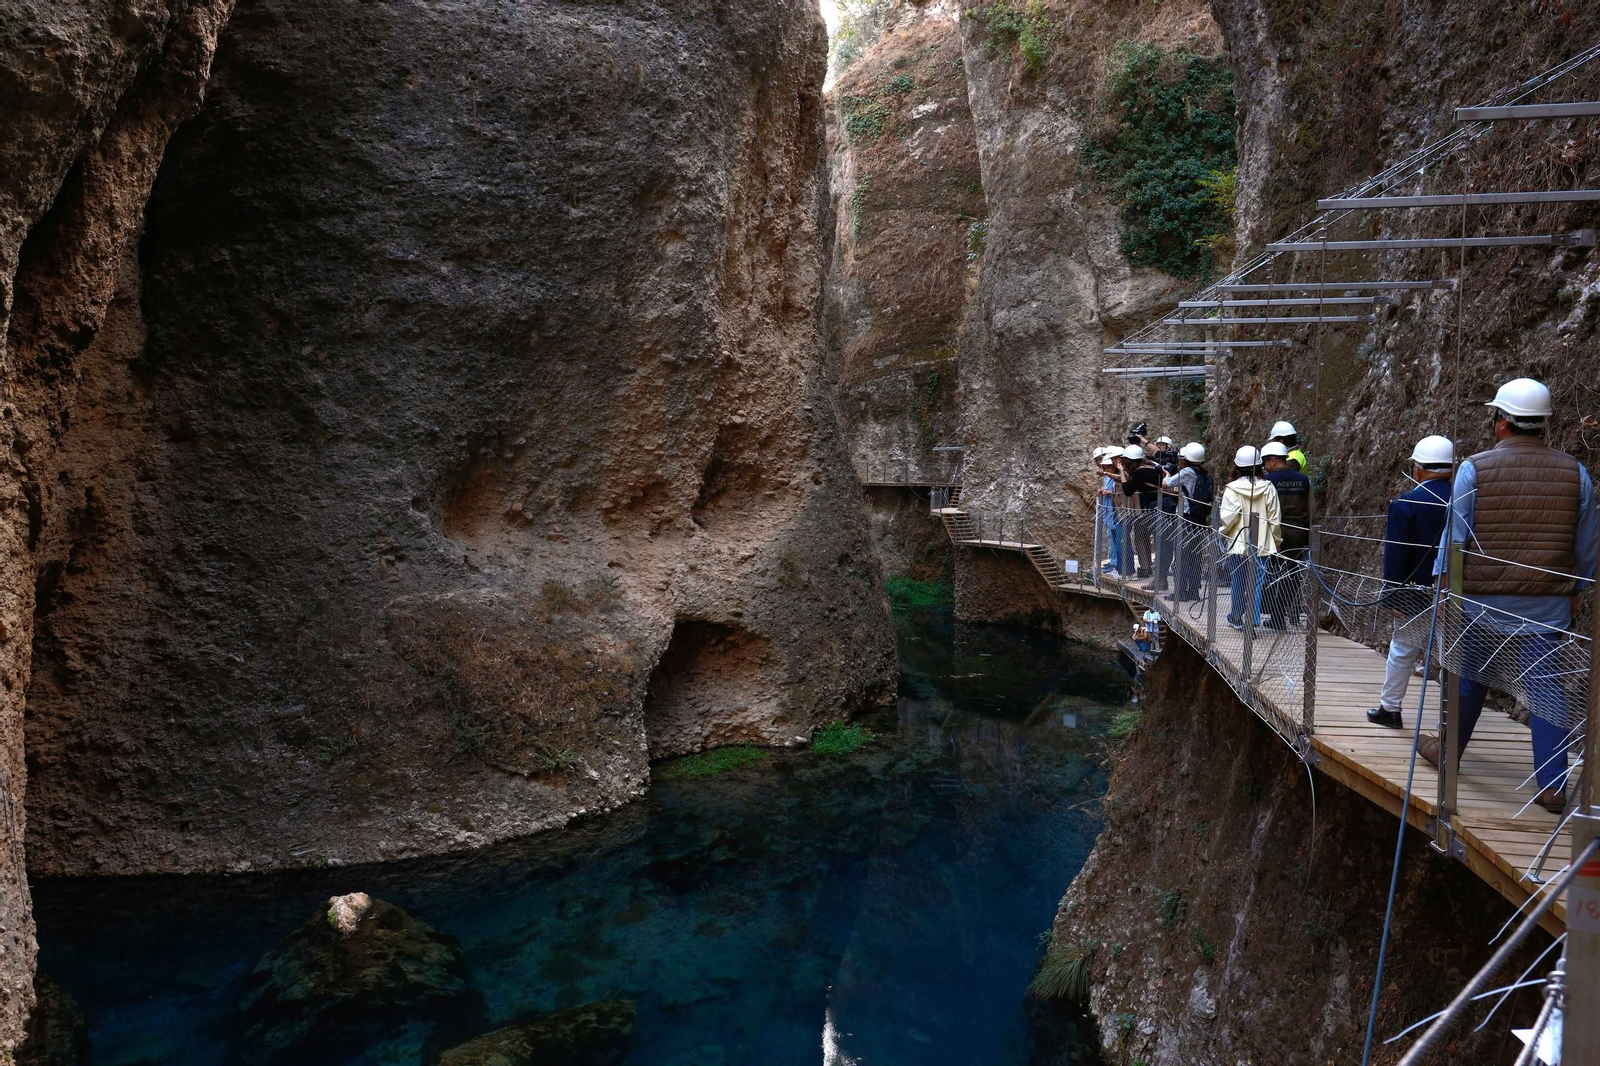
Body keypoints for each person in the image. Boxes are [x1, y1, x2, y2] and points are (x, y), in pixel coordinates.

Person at [1422, 378, 1597, 813]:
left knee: (1468, 680)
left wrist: (1443, 586)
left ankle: (1447, 753)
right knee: (1546, 688)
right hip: (1545, 605)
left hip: (1479, 601)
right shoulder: (1576, 473)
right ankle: (1553, 785)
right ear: (1543, 423)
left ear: (1502, 421)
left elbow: (1455, 537)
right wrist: (1576, 589)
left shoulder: (1474, 469)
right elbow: (1588, 545)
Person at [1365, 434, 1454, 730]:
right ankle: (1451, 722)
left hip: (1414, 594)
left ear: (1418, 469)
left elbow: (1397, 554)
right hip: (1454, 594)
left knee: (1403, 649)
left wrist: (1393, 595)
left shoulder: (1406, 503)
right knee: (1452, 656)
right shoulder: (1465, 500)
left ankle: (1390, 709)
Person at [1219, 445, 1281, 629]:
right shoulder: (1268, 487)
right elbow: (1275, 518)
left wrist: (1222, 533)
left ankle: (1237, 617)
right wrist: (1277, 541)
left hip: (1238, 544)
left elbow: (1228, 517)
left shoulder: (1232, 489)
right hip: (1262, 544)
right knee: (1257, 583)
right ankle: (1253, 620)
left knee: (1237, 581)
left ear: (1237, 466)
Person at [1260, 441, 1312, 628]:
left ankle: (1276, 618)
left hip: (1277, 533)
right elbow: (1311, 507)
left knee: (1274, 573)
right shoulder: (1304, 480)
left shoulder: (1268, 482)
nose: (1264, 467)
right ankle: (1293, 613)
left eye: (1265, 462)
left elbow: (1265, 509)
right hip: (1300, 532)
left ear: (1273, 461)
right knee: (1293, 572)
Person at [1164, 442, 1213, 602]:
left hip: (1186, 518)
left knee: (1182, 556)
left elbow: (1166, 483)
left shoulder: (1187, 472)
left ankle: (1180, 592)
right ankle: (1193, 591)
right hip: (1200, 519)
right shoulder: (1204, 474)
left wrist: (1166, 473)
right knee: (1195, 556)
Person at [1120, 444, 1161, 579]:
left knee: (1140, 537)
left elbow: (1128, 490)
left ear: (1129, 460)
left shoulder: (1139, 472)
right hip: (1161, 508)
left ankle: (1145, 568)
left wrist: (1121, 472)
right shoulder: (1151, 466)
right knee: (1154, 539)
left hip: (1150, 509)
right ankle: (1152, 568)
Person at [1098, 447, 1125, 575]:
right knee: (1113, 538)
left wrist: (1110, 493)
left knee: (1119, 540)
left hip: (1117, 511)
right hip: (1110, 511)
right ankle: (1116, 564)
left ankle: (1119, 566)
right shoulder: (1108, 478)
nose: (1106, 470)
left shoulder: (1118, 477)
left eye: (1108, 467)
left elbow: (1121, 492)